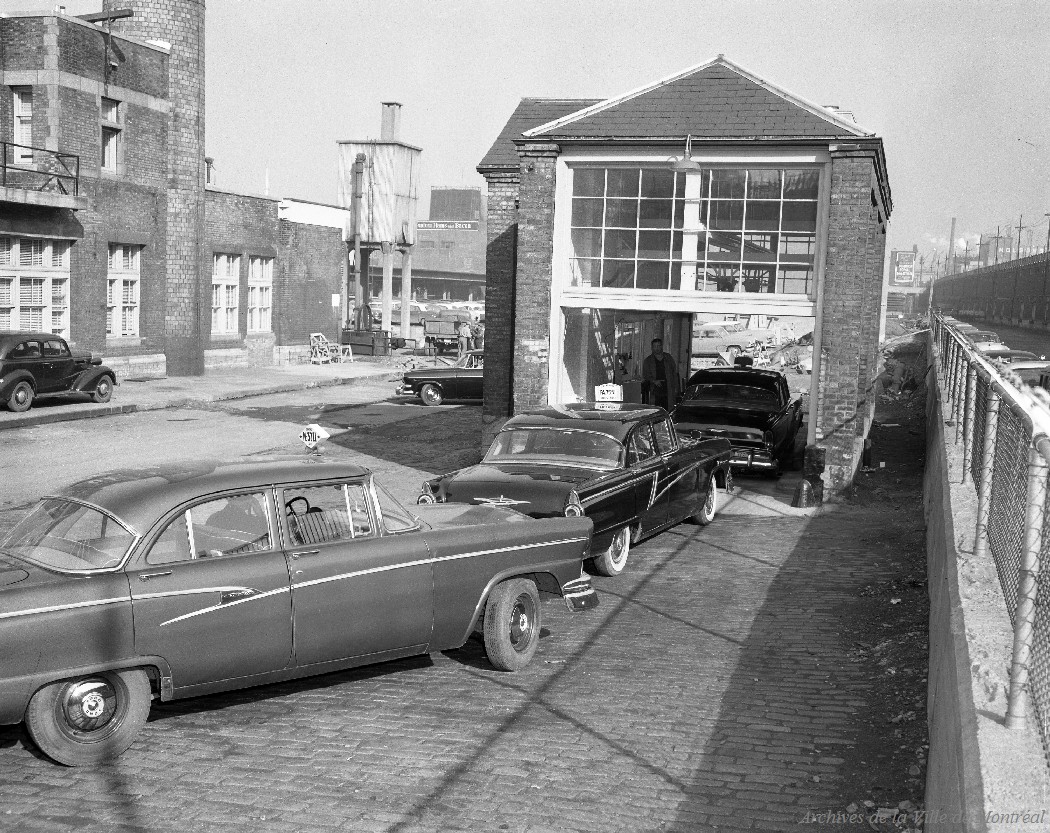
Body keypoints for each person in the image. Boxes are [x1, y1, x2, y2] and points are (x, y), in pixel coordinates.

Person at [641, 338, 680, 412]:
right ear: (651, 348)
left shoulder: (668, 358)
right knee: (656, 410)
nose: (657, 348)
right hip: (655, 390)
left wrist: (676, 388)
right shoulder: (648, 361)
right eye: (655, 346)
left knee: (669, 409)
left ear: (662, 346)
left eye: (659, 346)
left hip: (668, 388)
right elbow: (646, 375)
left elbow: (674, 373)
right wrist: (654, 381)